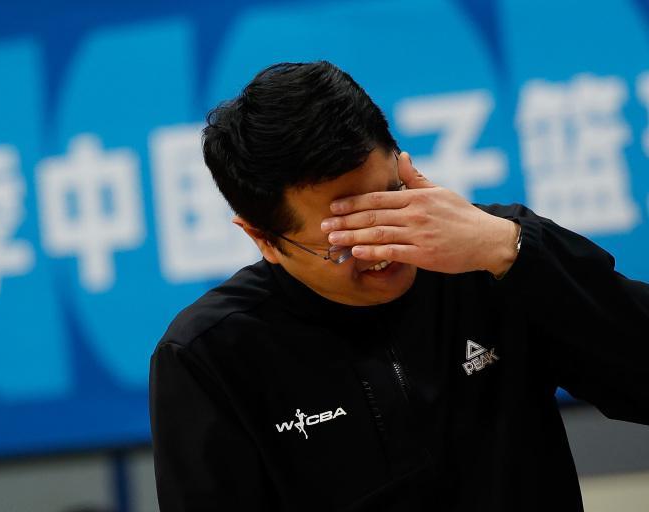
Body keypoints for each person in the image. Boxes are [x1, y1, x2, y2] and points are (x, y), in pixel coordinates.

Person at [148, 61, 649, 511]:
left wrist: (511, 250)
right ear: (264, 239)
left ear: (402, 164)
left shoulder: (491, 257)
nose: (385, 249)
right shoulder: (210, 354)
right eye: (347, 241)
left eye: (393, 204)